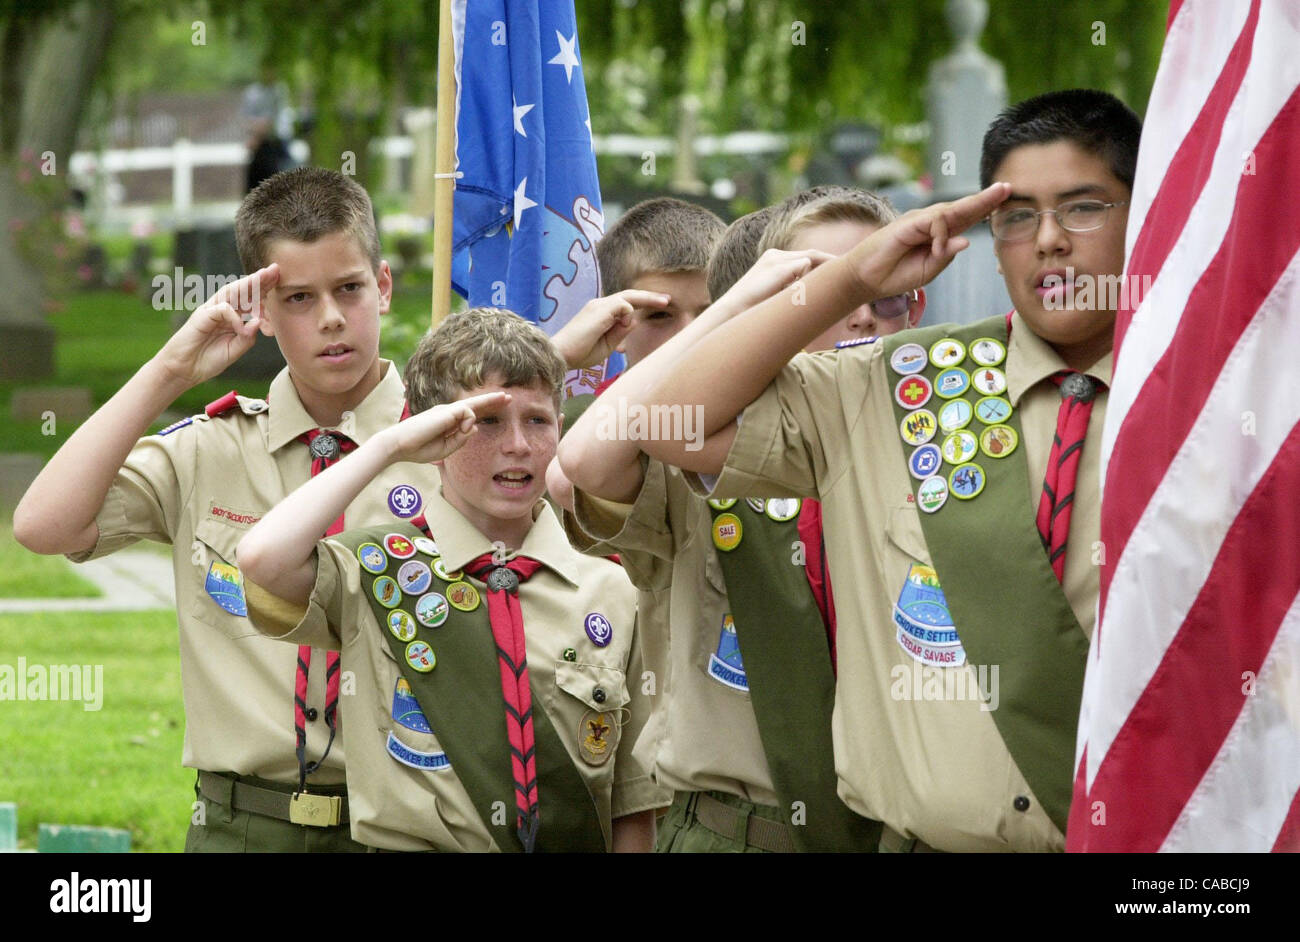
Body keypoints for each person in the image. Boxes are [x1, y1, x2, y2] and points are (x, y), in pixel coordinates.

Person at [629, 89, 1140, 852]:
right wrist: (851, 280)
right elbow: (667, 420)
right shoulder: (895, 384)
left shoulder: (1203, 404)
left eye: (1085, 208)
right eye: (1017, 215)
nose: (1051, 241)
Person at [14, 167, 425, 852]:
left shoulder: (443, 450)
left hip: (402, 823)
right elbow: (43, 525)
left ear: (382, 287)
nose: (329, 317)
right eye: (297, 297)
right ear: (261, 311)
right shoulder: (207, 452)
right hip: (241, 829)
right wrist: (171, 370)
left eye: (348, 288)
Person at [553, 185, 926, 852]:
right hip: (746, 833)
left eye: (886, 288)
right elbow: (585, 458)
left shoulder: (941, 451)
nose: (862, 315)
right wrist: (730, 312)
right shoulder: (693, 453)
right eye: (833, 289)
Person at [236, 308, 667, 852]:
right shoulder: (378, 567)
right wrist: (388, 447)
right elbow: (260, 559)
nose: (517, 445)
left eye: (539, 420)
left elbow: (633, 804)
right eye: (487, 422)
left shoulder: (612, 592)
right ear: (431, 429)